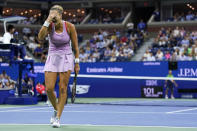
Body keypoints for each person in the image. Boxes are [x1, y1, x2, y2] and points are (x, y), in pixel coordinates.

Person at [38, 5, 80, 128]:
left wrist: (77, 63)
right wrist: (47, 21)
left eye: (55, 16)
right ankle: (56, 109)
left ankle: (57, 118)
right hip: (52, 57)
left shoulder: (70, 26)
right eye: (51, 15)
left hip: (66, 57)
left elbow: (76, 47)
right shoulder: (50, 25)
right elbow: (40, 38)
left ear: (60, 15)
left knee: (62, 88)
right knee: (49, 89)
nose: (53, 18)